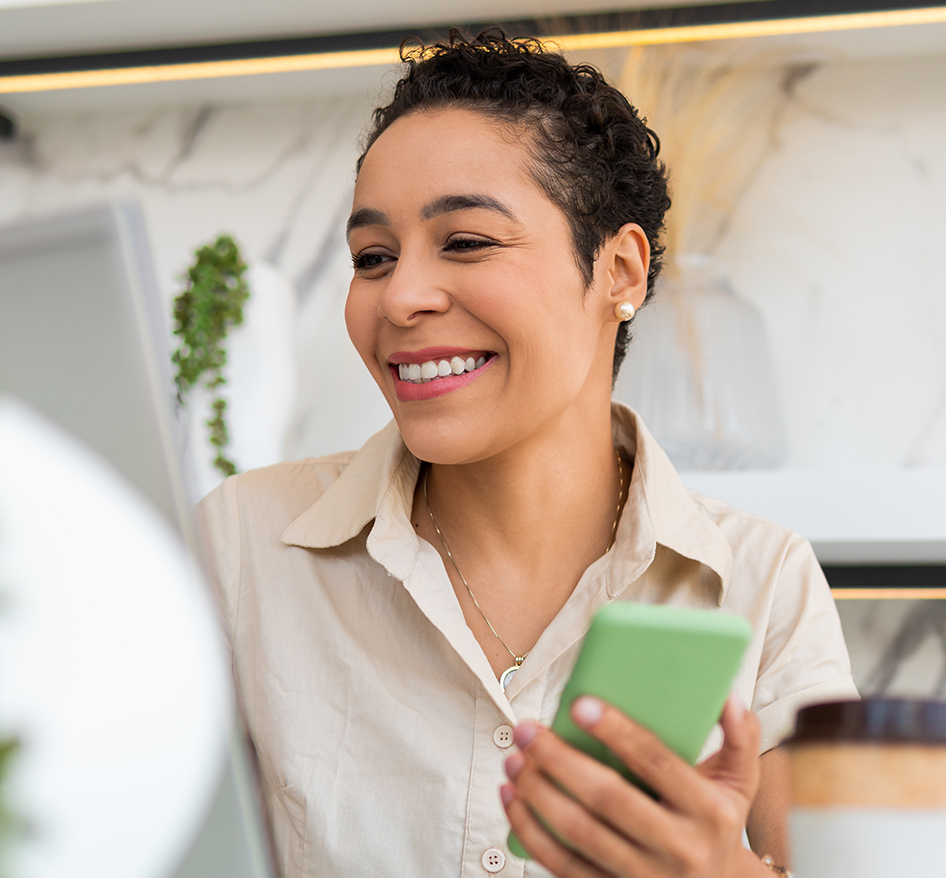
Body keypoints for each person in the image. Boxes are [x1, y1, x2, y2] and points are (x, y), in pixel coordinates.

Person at [197, 30, 857, 878]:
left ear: (619, 271)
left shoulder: (763, 583)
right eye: (372, 258)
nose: (400, 297)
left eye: (466, 241)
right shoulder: (241, 545)